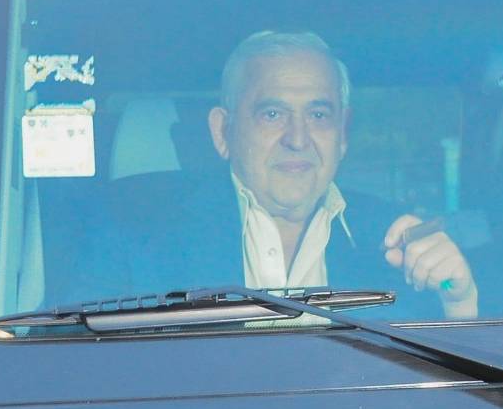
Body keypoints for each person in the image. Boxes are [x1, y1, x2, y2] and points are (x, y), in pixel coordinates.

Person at [91, 31, 478, 319]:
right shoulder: (133, 239)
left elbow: (447, 383)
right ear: (223, 132)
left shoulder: (400, 243)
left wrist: (458, 301)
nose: (298, 139)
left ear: (342, 133)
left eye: (318, 115)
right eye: (272, 114)